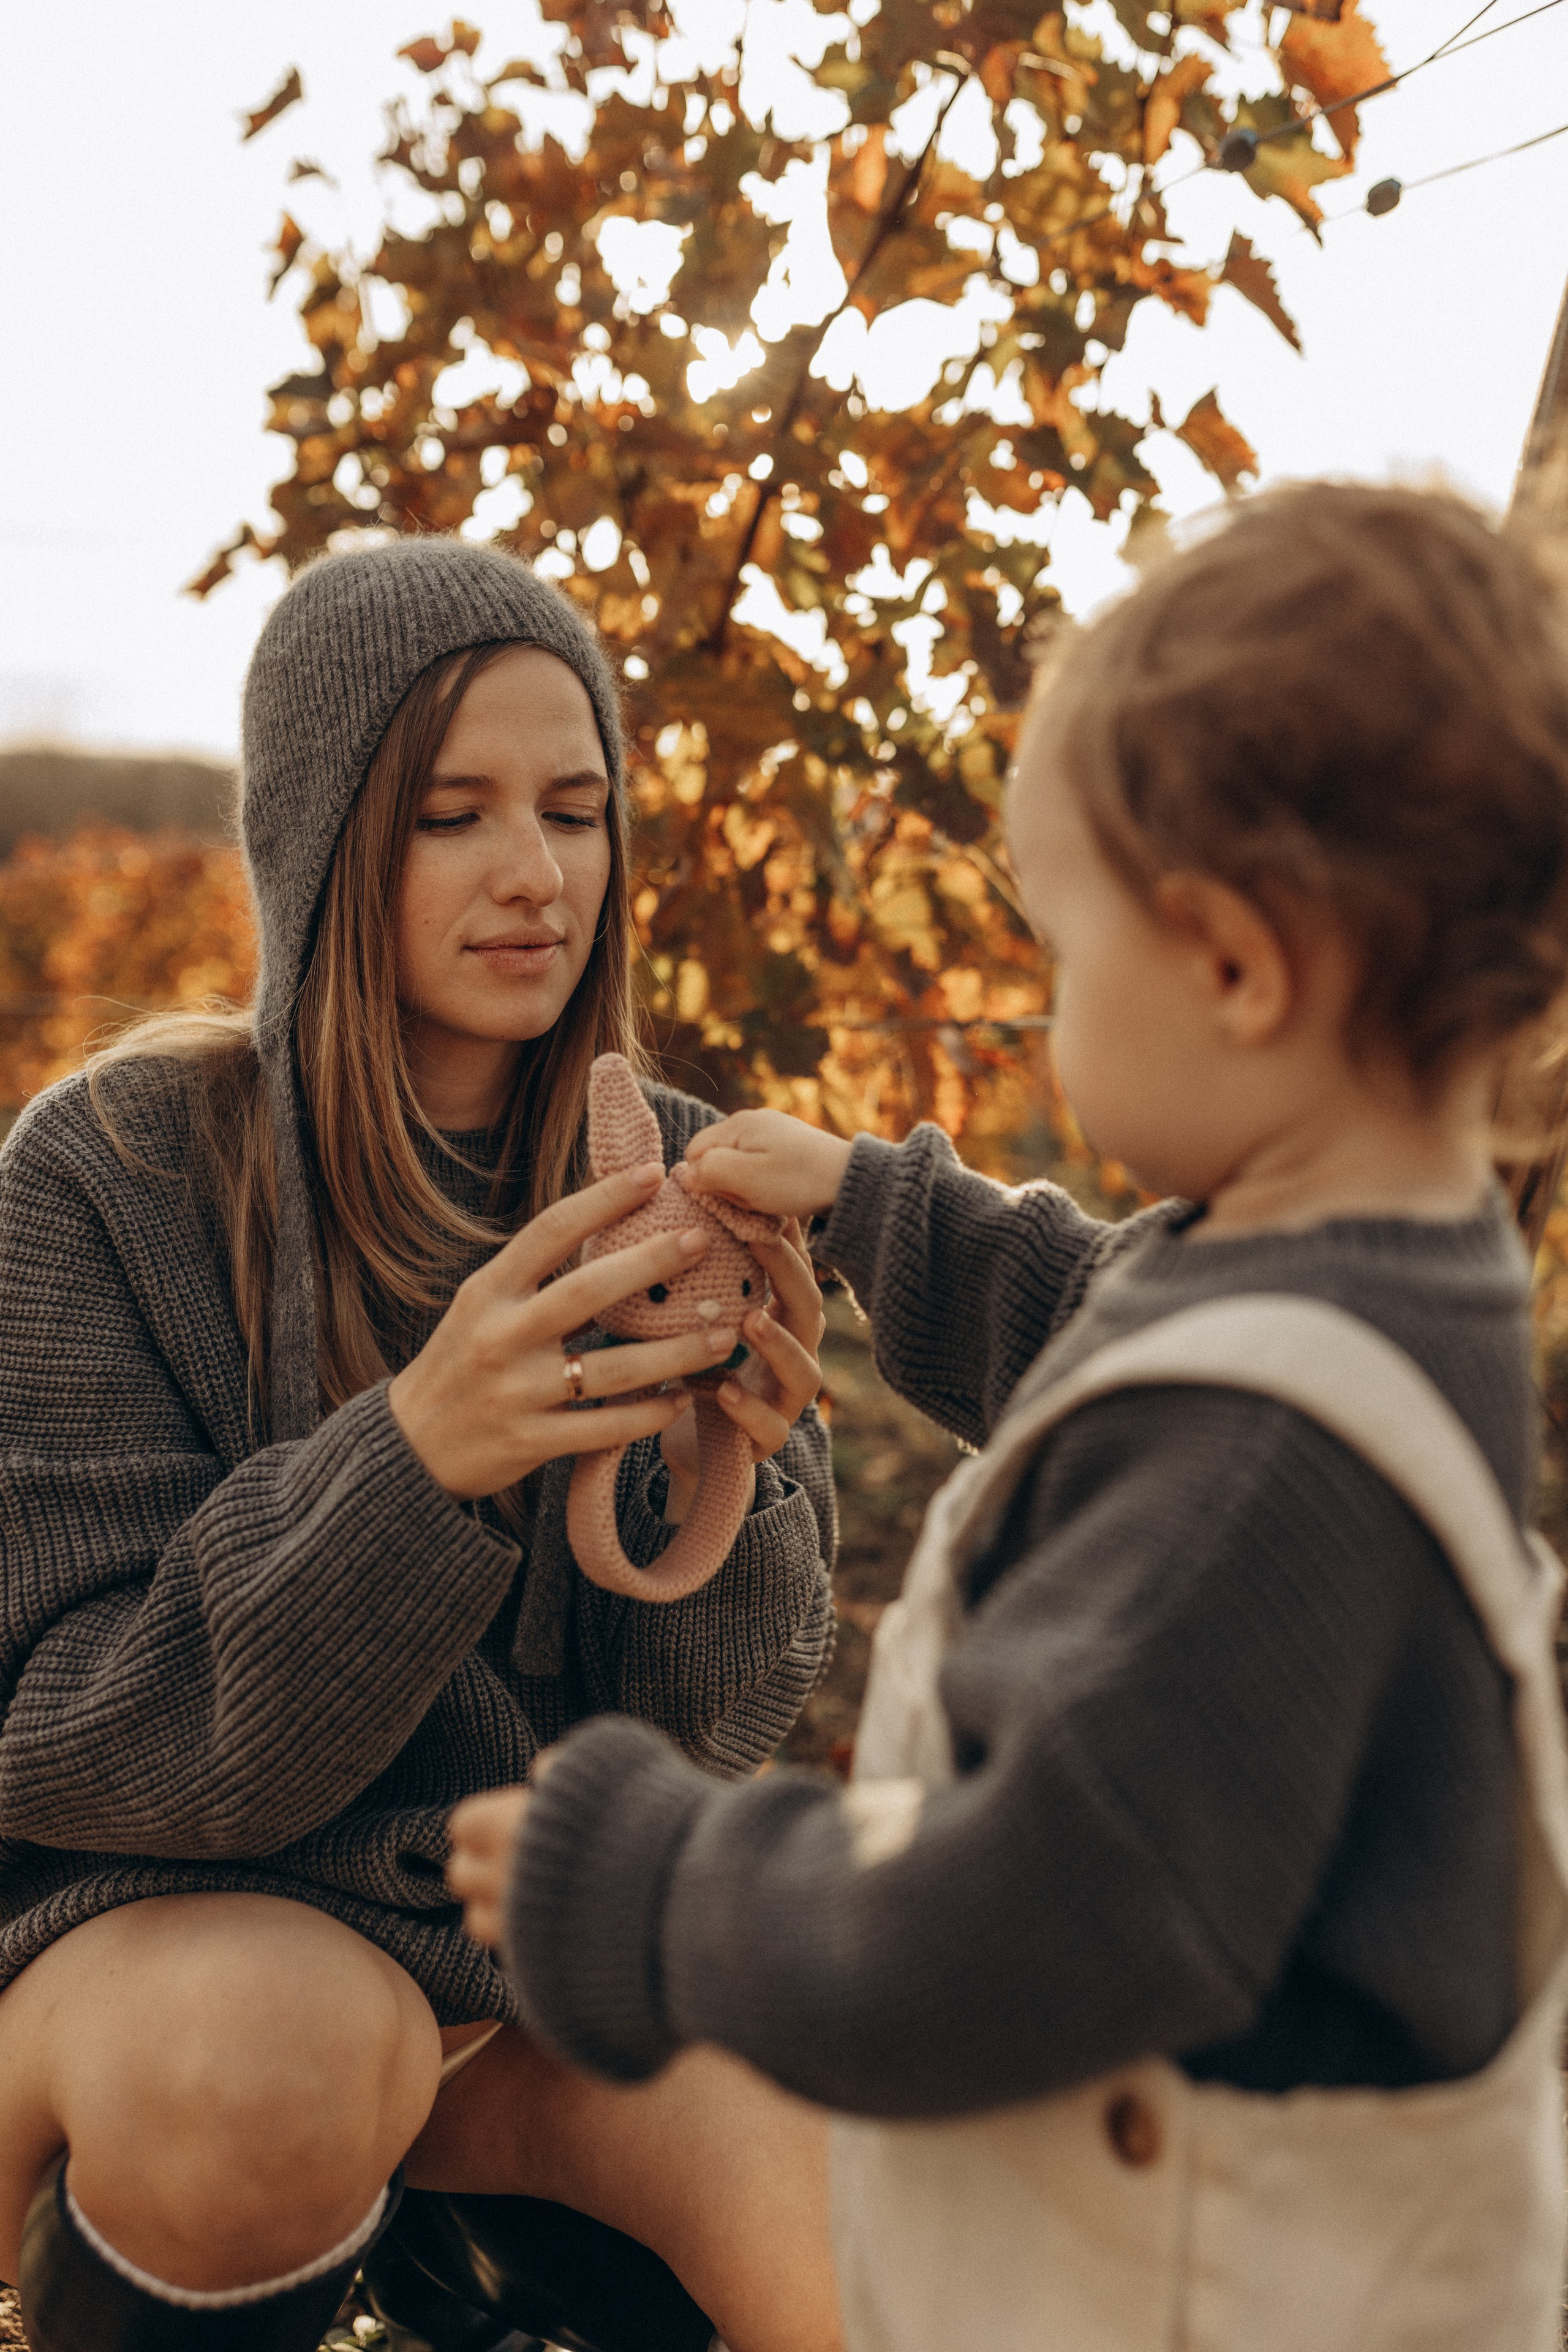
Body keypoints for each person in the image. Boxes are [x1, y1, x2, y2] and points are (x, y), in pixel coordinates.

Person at [451, 483, 1568, 2352]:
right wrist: (881, 1207)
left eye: (1064, 947)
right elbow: (1124, 1316)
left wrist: (648, 1878)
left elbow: (1009, 1923)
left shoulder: (1259, 1485)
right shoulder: (1390, 1273)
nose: (1051, 1007)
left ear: (1230, 965)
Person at [0, 540, 843, 2352]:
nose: (537, 876)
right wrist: (419, 1460)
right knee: (274, 2050)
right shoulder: (111, 1176)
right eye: (451, 814)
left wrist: (733, 1496)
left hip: (518, 1975)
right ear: (324, 842)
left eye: (577, 809)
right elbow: (54, 1735)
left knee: (868, 2163)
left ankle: (474, 2253)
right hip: (161, 1956)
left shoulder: (675, 1176)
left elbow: (689, 1745)